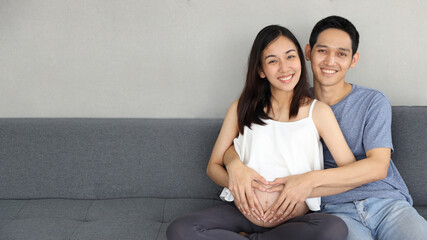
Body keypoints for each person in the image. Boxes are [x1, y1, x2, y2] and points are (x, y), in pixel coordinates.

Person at [224, 16, 427, 240]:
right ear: (308, 53)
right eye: (323, 51)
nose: (330, 61)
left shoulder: (372, 101)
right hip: (335, 210)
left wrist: (309, 180)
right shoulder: (294, 105)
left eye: (341, 54)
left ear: (354, 59)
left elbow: (378, 167)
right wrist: (233, 163)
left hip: (386, 202)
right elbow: (249, 139)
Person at [166, 24, 351, 240]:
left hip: (292, 221)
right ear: (261, 70)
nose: (284, 68)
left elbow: (348, 174)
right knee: (179, 230)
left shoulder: (317, 112)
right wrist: (236, 180)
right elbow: (213, 166)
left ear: (301, 60)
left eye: (290, 57)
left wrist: (307, 188)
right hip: (242, 213)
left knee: (333, 229)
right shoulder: (241, 108)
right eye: (273, 61)